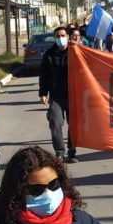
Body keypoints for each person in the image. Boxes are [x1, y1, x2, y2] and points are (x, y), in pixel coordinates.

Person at [39, 26, 77, 163]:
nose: (60, 38)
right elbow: (44, 75)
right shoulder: (49, 54)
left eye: (62, 35)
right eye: (57, 36)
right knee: (55, 122)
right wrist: (43, 93)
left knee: (73, 124)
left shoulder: (75, 52)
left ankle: (72, 151)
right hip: (56, 95)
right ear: (54, 38)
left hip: (74, 94)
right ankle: (60, 151)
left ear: (68, 37)